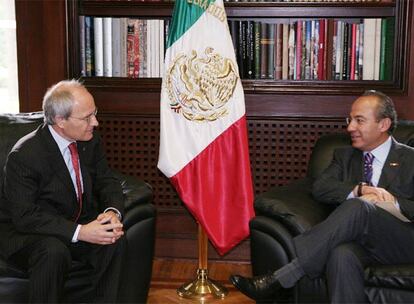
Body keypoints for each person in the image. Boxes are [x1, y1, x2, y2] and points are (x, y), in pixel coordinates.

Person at [230, 90, 414, 303]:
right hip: (363, 244)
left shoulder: (410, 159)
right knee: (341, 254)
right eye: (350, 119)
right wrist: (359, 190)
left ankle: (282, 278)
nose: (350, 127)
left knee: (359, 208)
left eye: (359, 120)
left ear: (383, 124)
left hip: (403, 241)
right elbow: (321, 188)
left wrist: (392, 201)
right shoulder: (344, 156)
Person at [0, 80, 126, 303]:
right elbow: (25, 217)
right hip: (27, 233)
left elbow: (107, 180)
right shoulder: (25, 156)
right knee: (53, 251)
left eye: (94, 113)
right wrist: (80, 232)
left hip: (72, 223)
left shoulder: (88, 140)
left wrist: (111, 212)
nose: (95, 122)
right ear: (60, 120)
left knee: (111, 239)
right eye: (86, 117)